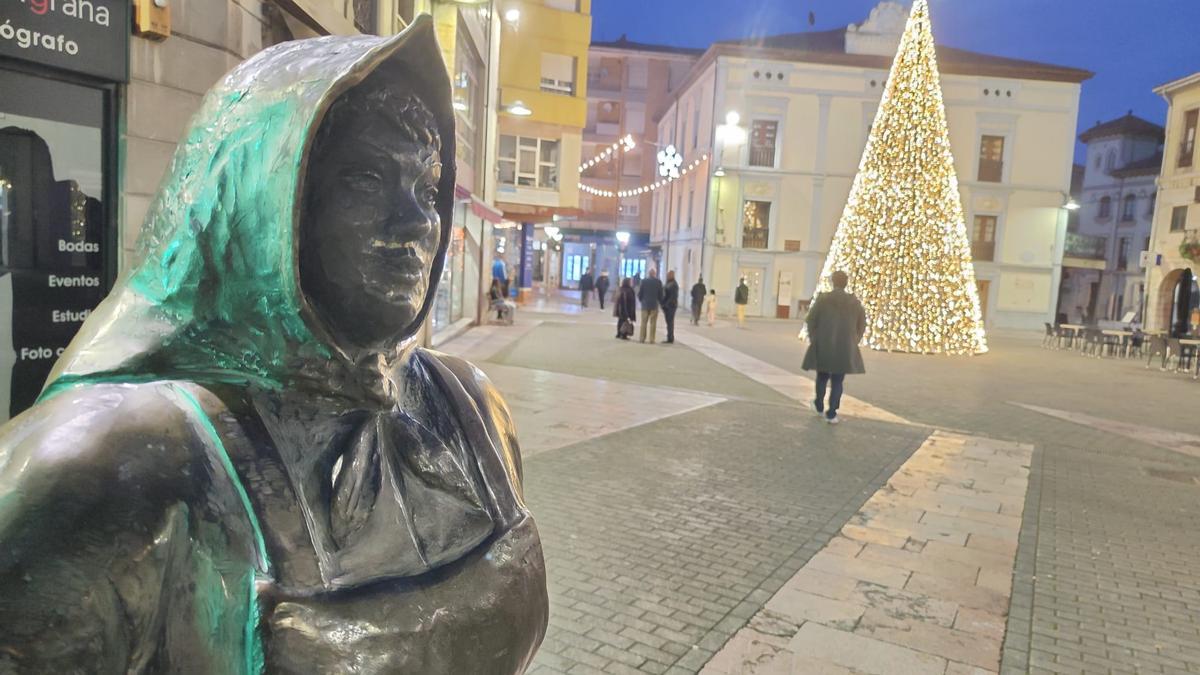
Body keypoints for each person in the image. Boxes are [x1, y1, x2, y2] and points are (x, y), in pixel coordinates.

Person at [0, 20, 547, 672]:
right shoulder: (114, 461)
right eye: (367, 180)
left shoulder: (469, 412)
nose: (415, 224)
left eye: (427, 188)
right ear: (265, 200)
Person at [802, 270, 866, 425]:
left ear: (833, 282)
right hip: (844, 347)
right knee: (838, 380)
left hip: (824, 344)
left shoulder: (823, 300)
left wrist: (814, 338)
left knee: (822, 377)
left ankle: (818, 404)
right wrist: (854, 339)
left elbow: (811, 320)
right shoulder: (854, 303)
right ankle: (831, 413)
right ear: (846, 283)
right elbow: (862, 324)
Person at [637, 268, 664, 344]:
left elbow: (640, 293)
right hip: (654, 305)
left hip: (645, 305)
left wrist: (641, 300)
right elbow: (660, 294)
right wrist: (661, 302)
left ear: (649, 274)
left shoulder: (644, 281)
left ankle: (642, 338)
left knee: (643, 322)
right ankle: (652, 339)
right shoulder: (658, 282)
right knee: (653, 323)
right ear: (654, 274)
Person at [662, 270, 680, 344]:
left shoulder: (674, 285)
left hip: (671, 306)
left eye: (669, 275)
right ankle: (669, 336)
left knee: (670, 322)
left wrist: (666, 304)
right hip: (667, 306)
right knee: (668, 322)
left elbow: (673, 297)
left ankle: (670, 338)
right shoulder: (668, 283)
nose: (667, 276)